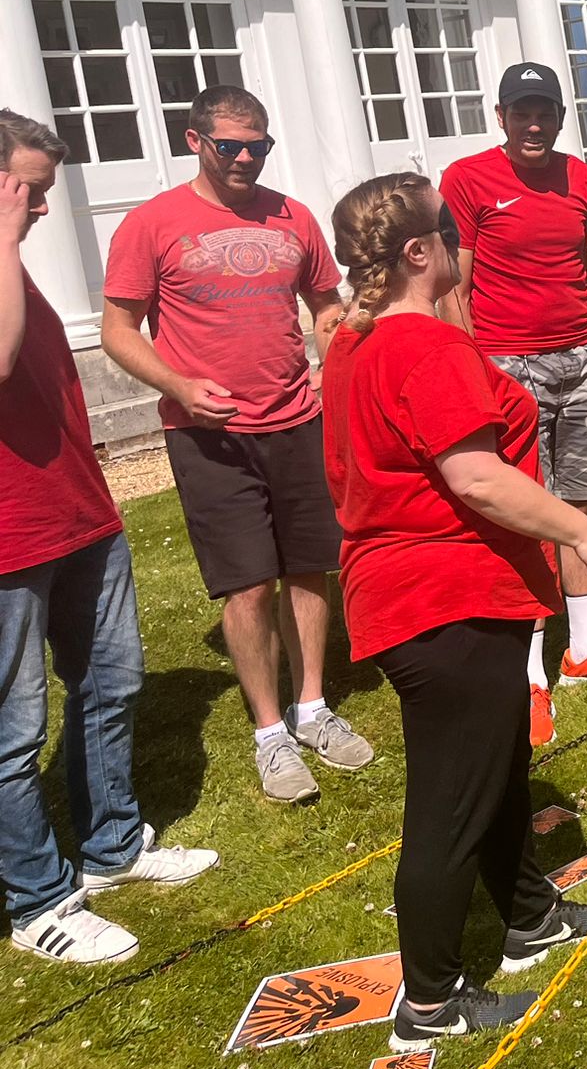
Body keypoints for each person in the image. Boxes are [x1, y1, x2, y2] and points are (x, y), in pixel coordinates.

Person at [323, 173, 587, 1049]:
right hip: (441, 601)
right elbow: (477, 477)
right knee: (450, 806)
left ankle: (530, 917)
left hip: (432, 593)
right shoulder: (422, 348)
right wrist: (585, 532)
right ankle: (427, 1004)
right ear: (420, 252)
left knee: (495, 769)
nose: (463, 246)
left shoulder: (355, 339)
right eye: (450, 234)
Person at [100, 86, 371, 804]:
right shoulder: (152, 224)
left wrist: (335, 362)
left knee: (310, 568)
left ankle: (313, 707)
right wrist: (179, 386)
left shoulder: (293, 216)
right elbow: (118, 330)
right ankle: (270, 733)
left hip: (297, 419)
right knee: (249, 583)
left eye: (258, 146)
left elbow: (325, 305)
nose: (247, 158)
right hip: (208, 434)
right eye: (231, 146)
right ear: (195, 141)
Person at [0, 110, 216, 965]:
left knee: (110, 684)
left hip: (78, 515)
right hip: (9, 540)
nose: (42, 208)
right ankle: (38, 901)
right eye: (30, 190)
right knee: (12, 730)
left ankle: (112, 847)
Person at [441, 65, 587, 746]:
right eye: (522, 113)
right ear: (501, 116)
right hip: (509, 365)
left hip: (582, 360)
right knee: (528, 517)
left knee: (582, 506)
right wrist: (475, 372)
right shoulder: (467, 180)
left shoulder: (580, 179)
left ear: (560, 117)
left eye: (545, 113)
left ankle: (583, 653)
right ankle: (529, 674)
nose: (533, 125)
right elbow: (454, 289)